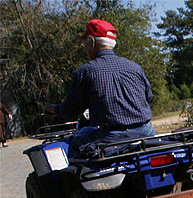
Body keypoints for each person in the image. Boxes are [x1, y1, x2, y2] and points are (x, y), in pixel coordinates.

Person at [44, 19, 156, 156]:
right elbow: (148, 98)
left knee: (69, 148)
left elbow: (71, 111)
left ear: (91, 42)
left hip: (110, 136)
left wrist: (54, 109)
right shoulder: (135, 68)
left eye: (85, 42)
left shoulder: (85, 72)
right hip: (146, 131)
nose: (85, 46)